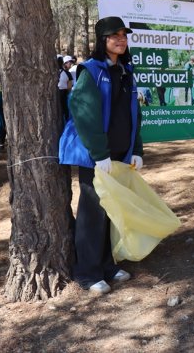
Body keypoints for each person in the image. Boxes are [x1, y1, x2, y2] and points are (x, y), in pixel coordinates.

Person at [59, 16, 142, 295]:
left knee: (110, 211)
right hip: (96, 156)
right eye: (113, 35)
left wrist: (137, 150)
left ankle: (107, 265)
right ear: (102, 40)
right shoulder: (90, 71)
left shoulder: (126, 71)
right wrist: (99, 154)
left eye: (123, 35)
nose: (120, 39)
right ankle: (87, 272)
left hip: (118, 155)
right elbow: (84, 114)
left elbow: (133, 115)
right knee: (92, 212)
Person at [58, 55, 75, 123]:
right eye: (69, 63)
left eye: (71, 63)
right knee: (65, 111)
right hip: (64, 95)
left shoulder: (54, 72)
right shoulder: (68, 74)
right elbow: (69, 88)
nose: (70, 65)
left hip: (57, 94)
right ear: (64, 63)